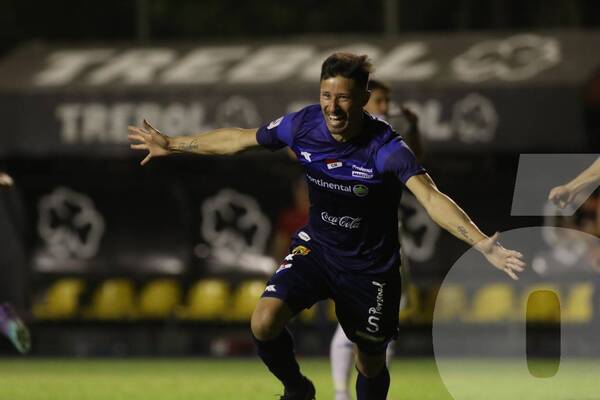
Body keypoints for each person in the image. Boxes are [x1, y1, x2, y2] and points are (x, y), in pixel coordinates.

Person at [128, 52, 525, 400]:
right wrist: (174, 143)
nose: (332, 107)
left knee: (369, 362)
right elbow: (240, 139)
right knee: (263, 322)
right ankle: (298, 389)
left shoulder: (386, 149)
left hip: (370, 269)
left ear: (364, 100)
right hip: (317, 248)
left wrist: (481, 243)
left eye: (344, 98)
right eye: (326, 95)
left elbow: (432, 198)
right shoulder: (303, 125)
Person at [328, 79, 420, 400]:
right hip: (367, 244)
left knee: (369, 325)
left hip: (369, 240)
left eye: (386, 101)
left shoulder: (373, 137)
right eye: (379, 101)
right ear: (363, 101)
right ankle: (344, 393)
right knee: (372, 324)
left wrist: (413, 129)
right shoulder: (372, 130)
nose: (385, 108)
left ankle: (344, 394)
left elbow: (414, 168)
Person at [0, 171, 32, 354]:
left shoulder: (6, 183)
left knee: (11, 307)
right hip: (11, 253)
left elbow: (20, 217)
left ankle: (5, 318)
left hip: (9, 253)